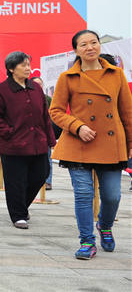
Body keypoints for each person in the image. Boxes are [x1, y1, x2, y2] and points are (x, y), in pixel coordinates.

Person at [49, 30, 132, 260]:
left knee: (113, 196)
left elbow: (127, 112)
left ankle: (104, 226)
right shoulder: (67, 78)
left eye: (93, 42)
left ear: (99, 46)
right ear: (76, 50)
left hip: (111, 144)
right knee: (83, 195)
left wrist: (130, 144)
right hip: (79, 144)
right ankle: (87, 241)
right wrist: (77, 126)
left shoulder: (116, 75)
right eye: (83, 44)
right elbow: (55, 111)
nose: (90, 47)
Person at [0, 51, 55, 228]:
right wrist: (8, 133)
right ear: (11, 69)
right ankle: (18, 215)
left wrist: (50, 139)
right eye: (23, 65)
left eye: (28, 65)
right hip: (14, 146)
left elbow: (44, 116)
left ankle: (21, 206)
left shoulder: (36, 88)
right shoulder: (2, 89)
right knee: (16, 181)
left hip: (37, 144)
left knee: (41, 174)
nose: (28, 68)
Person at [30, 68, 61, 189]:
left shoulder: (48, 99)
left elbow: (54, 116)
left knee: (47, 158)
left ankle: (47, 182)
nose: (39, 86)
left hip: (44, 134)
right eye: (36, 84)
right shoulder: (25, 96)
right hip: (29, 134)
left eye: (40, 84)